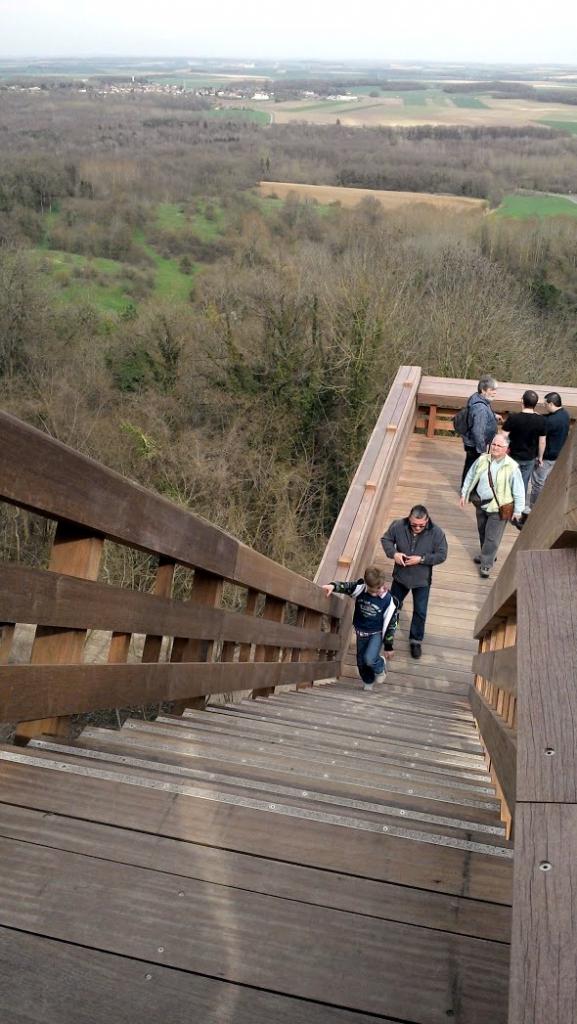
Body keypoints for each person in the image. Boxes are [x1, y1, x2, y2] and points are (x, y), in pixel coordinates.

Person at [380, 505, 448, 659]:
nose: (417, 527)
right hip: (400, 577)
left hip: (422, 580)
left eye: (421, 525)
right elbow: (386, 539)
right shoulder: (398, 525)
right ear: (409, 518)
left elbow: (442, 555)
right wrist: (394, 554)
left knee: (420, 611)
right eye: (414, 524)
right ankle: (386, 636)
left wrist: (422, 559)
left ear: (427, 520)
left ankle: (415, 641)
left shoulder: (437, 533)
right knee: (392, 608)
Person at [322, 566, 398, 692]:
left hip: (376, 633)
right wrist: (333, 586)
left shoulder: (387, 601)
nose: (378, 592)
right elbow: (346, 587)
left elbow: (391, 624)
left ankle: (380, 667)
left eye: (380, 588)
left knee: (369, 658)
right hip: (361, 632)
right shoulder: (360, 588)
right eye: (373, 590)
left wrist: (389, 646)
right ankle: (368, 680)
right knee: (361, 662)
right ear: (367, 585)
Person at [460, 433, 524, 578]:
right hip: (481, 504)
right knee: (482, 531)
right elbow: (470, 475)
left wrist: (518, 510)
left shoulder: (512, 467)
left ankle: (486, 564)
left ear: (506, 449)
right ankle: (486, 554)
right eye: (493, 444)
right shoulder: (483, 459)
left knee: (492, 537)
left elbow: (519, 490)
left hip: (500, 508)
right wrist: (464, 493)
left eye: (498, 445)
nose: (494, 447)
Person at [502, 390, 547, 515]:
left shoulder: (513, 418)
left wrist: (502, 452)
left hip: (513, 457)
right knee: (523, 484)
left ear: (522, 401)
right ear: (536, 404)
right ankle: (518, 511)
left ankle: (506, 509)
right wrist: (540, 457)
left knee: (509, 482)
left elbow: (503, 436)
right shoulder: (541, 420)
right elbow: (542, 442)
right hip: (529, 458)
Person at [529, 392, 571, 509]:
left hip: (547, 456)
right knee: (549, 482)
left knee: (538, 483)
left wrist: (540, 457)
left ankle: (534, 507)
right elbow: (549, 416)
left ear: (551, 403)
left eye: (545, 404)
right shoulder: (565, 414)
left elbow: (542, 440)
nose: (544, 406)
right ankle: (547, 504)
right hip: (559, 454)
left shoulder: (550, 422)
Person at [460, 375, 499, 485]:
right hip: (475, 444)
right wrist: (482, 449)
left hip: (471, 441)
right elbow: (478, 431)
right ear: (483, 390)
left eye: (495, 390)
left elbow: (477, 416)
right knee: (472, 466)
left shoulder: (477, 398)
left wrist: (493, 415)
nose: (495, 392)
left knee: (470, 464)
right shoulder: (481, 408)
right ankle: (467, 490)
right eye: (492, 390)